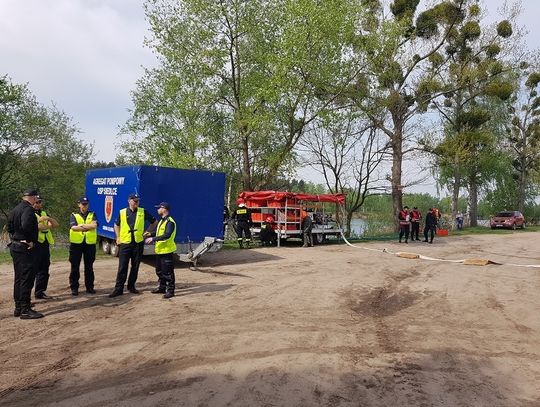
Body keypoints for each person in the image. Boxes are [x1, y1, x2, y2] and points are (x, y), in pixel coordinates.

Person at [109, 193, 156, 297]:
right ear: (129, 201)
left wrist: (147, 232)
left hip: (138, 243)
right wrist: (118, 237)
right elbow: (116, 225)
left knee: (135, 266)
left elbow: (154, 222)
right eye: (134, 201)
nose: (136, 202)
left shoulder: (143, 211)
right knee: (122, 267)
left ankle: (131, 286)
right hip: (125, 243)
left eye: (137, 201)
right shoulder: (122, 212)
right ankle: (118, 289)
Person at [7, 189, 44, 319]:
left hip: (15, 246)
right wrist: (30, 241)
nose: (36, 200)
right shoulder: (28, 210)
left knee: (18, 278)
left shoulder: (15, 209)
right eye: (35, 198)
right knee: (27, 279)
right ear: (32, 198)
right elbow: (27, 226)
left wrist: (16, 237)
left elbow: (10, 227)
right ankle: (25, 309)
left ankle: (18, 307)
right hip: (24, 248)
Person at [145, 202, 177, 299]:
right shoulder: (162, 221)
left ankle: (170, 290)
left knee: (168, 272)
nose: (157, 210)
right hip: (160, 250)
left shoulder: (170, 222)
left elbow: (167, 235)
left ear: (164, 209)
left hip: (167, 251)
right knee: (159, 271)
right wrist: (150, 234)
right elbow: (159, 232)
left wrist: (153, 239)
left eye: (159, 208)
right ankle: (162, 287)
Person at [69, 196, 98, 296]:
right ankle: (74, 288)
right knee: (75, 267)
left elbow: (94, 225)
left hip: (89, 244)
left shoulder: (92, 214)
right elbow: (73, 228)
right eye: (83, 204)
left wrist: (81, 226)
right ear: (79, 205)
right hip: (76, 244)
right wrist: (87, 227)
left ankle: (90, 287)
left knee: (89, 267)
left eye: (86, 204)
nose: (84, 206)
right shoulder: (74, 215)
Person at [33, 195, 59, 300]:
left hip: (45, 244)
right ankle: (26, 297)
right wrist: (48, 225)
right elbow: (38, 227)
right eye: (37, 202)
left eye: (40, 202)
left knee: (44, 268)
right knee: (33, 269)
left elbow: (56, 224)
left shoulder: (44, 213)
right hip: (35, 244)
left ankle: (40, 292)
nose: (39, 204)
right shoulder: (30, 213)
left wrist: (48, 218)